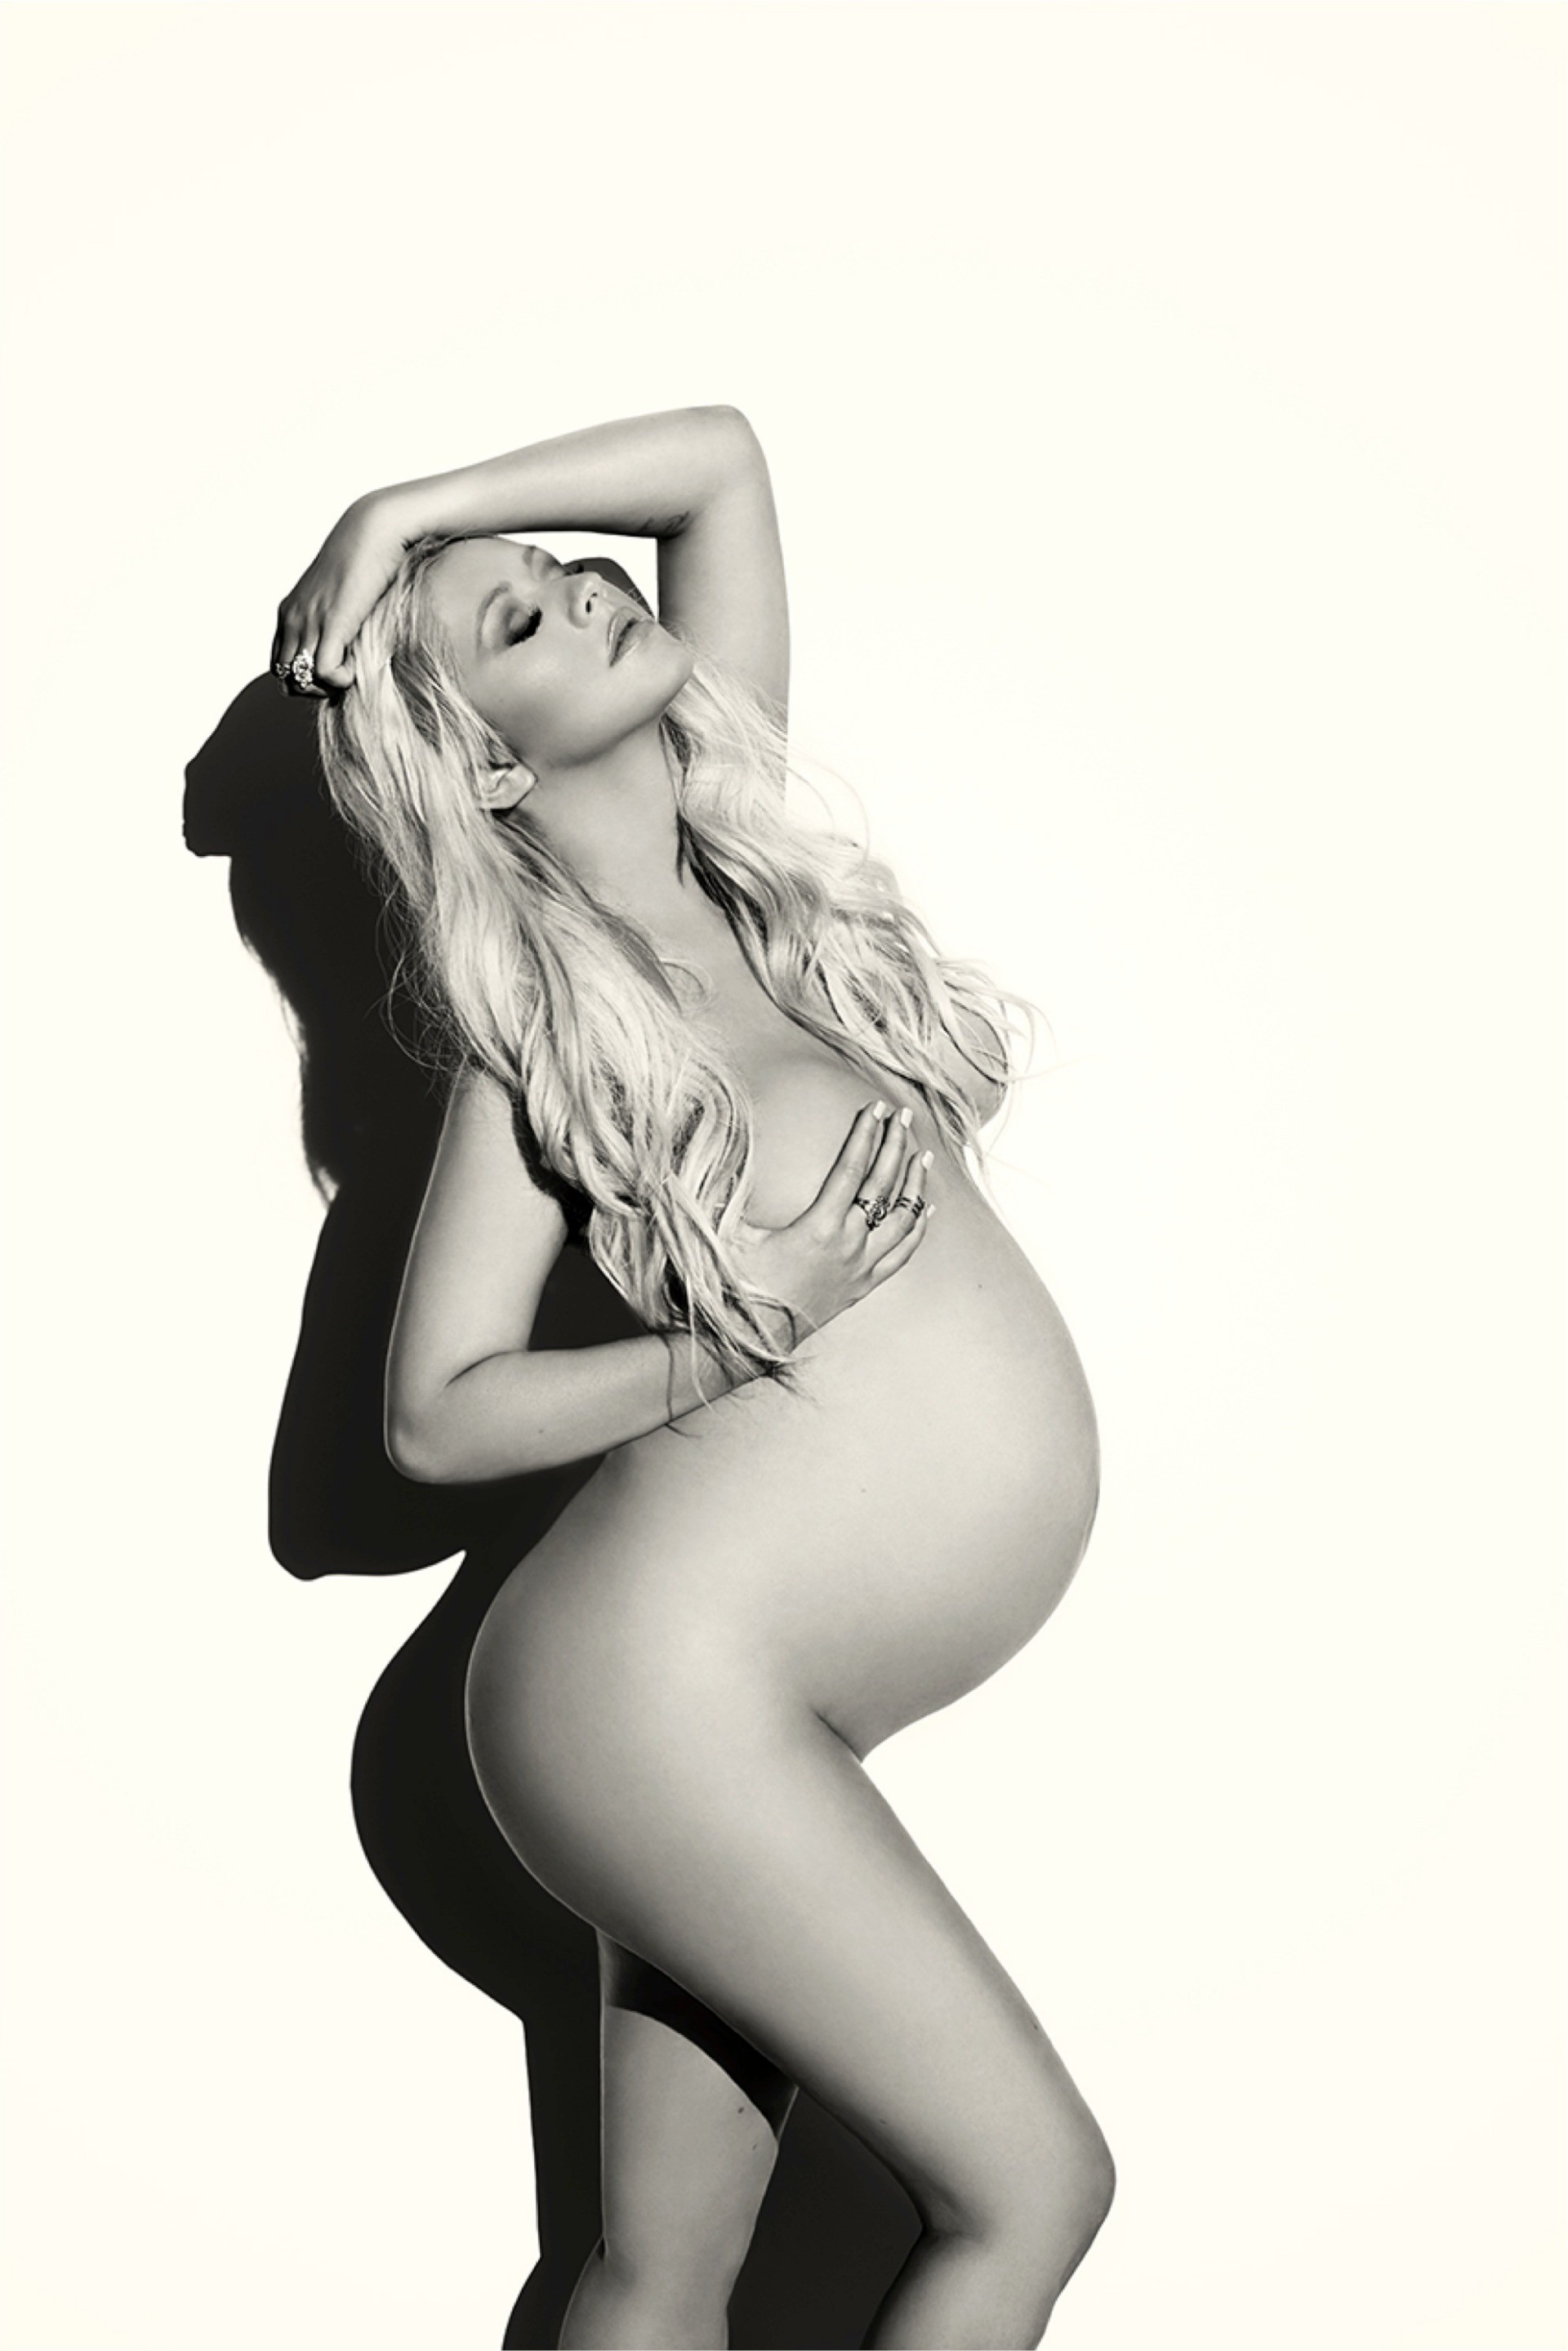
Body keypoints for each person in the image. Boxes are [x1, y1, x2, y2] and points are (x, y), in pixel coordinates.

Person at [271, 404, 1113, 2350]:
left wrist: (411, 512)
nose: (584, 589)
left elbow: (718, 460)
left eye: (563, 573)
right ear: (487, 759)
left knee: (659, 2267)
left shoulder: (746, 882)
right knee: (1032, 2184)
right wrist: (751, 1325)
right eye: (520, 626)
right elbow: (433, 1411)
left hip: (731, 1711)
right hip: (651, 1704)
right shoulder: (548, 1020)